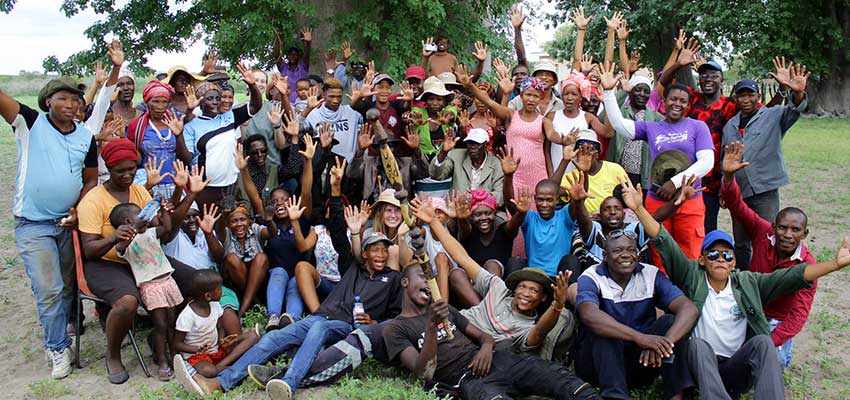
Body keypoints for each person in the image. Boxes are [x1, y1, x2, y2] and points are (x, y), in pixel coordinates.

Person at [620, 174, 850, 400]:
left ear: (734, 262)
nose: (720, 259)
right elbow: (664, 240)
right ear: (702, 260)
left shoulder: (749, 282)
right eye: (713, 254)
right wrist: (639, 209)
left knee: (762, 342)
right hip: (700, 365)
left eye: (727, 255)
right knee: (698, 345)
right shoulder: (691, 274)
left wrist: (835, 264)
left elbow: (795, 275)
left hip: (734, 368)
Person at [174, 230, 402, 400]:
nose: (381, 254)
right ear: (365, 254)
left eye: (384, 249)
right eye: (375, 249)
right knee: (273, 337)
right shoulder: (353, 268)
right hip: (321, 316)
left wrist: (375, 322)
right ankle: (220, 383)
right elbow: (342, 241)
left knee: (319, 329)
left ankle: (288, 383)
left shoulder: (392, 279)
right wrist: (352, 226)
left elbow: (396, 315)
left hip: (346, 326)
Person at [77, 138, 203, 384]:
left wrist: (174, 203)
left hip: (145, 257)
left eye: (132, 169)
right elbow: (89, 250)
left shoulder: (139, 190)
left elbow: (163, 231)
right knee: (127, 301)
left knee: (198, 281)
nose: (127, 175)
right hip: (107, 262)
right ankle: (112, 354)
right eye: (119, 170)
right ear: (108, 169)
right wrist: (114, 237)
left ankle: (163, 337)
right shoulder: (93, 200)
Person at [1, 73, 101, 379]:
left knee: (67, 287)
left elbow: (91, 179)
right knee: (49, 289)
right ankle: (58, 348)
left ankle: (62, 335)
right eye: (63, 99)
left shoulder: (85, 137)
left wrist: (78, 208)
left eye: (76, 100)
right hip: (33, 224)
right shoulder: (30, 123)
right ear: (48, 102)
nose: (71, 105)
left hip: (68, 223)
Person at [382, 263, 602, 400]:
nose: (429, 283)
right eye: (422, 276)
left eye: (430, 279)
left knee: (552, 374)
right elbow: (424, 373)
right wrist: (431, 327)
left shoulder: (446, 310)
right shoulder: (395, 328)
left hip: (495, 361)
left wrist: (487, 347)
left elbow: (482, 336)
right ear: (405, 282)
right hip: (465, 380)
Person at [412, 196, 576, 358]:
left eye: (533, 290)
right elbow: (462, 257)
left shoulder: (525, 327)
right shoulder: (499, 288)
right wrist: (433, 221)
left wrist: (557, 305)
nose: (525, 293)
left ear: (542, 298)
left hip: (469, 349)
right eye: (522, 287)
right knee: (397, 331)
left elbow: (540, 332)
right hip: (452, 326)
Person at [574, 192, 699, 398]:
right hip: (599, 365)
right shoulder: (592, 276)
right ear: (605, 256)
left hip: (643, 360)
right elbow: (589, 315)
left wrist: (662, 342)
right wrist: (642, 338)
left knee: (670, 321)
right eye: (618, 251)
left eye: (631, 250)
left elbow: (689, 309)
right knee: (603, 328)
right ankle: (616, 396)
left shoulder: (650, 274)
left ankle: (677, 395)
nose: (626, 255)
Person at [601, 61, 713, 260]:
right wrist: (609, 93)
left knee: (689, 254)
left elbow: (706, 162)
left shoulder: (698, 127)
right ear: (664, 101)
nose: (677, 104)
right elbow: (619, 125)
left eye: (682, 101)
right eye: (672, 99)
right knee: (659, 253)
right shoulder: (652, 127)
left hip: (689, 200)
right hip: (657, 201)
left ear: (688, 105)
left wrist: (674, 182)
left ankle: (687, 291)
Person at [721, 142, 816, 367]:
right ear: (773, 227)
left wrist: (767, 341)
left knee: (770, 361)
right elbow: (737, 206)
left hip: (776, 322)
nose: (787, 234)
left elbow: (798, 316)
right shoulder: (763, 231)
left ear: (805, 234)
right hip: (747, 307)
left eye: (795, 230)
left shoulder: (808, 264)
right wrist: (728, 178)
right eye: (782, 227)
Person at [722, 59, 809, 270]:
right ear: (735, 98)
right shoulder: (730, 126)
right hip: (739, 192)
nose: (746, 99)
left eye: (750, 94)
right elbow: (723, 162)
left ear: (759, 97)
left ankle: (769, 278)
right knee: (741, 242)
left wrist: (796, 92)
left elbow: (795, 109)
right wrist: (723, 192)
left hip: (765, 190)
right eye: (741, 95)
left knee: (769, 238)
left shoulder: (773, 115)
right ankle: (743, 278)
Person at [658, 33, 738, 233]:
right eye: (703, 75)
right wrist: (679, 63)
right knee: (672, 225)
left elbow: (759, 112)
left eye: (713, 75)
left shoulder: (730, 105)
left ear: (722, 79)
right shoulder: (691, 98)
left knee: (704, 228)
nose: (707, 79)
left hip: (709, 182)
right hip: (677, 174)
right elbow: (664, 84)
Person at [236, 135, 315, 329]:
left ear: (292, 202)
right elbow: (254, 195)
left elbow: (306, 190)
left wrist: (308, 160)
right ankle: (273, 317)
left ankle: (291, 319)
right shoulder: (268, 222)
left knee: (297, 280)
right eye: (275, 201)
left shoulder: (302, 218)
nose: (279, 203)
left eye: (284, 199)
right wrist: (243, 170)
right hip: (274, 279)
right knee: (279, 272)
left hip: (298, 276)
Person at [110, 202, 184, 381]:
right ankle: (162, 361)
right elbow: (119, 248)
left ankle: (175, 355)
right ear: (128, 221)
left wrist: (165, 211)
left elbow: (166, 227)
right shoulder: (125, 243)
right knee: (160, 325)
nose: (147, 217)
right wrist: (132, 229)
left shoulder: (151, 232)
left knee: (172, 322)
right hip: (151, 287)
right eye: (141, 214)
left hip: (168, 282)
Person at [183, 62, 262, 209]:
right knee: (208, 223)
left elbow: (255, 106)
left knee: (227, 223)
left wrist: (252, 85)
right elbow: (186, 158)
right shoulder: (191, 126)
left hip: (230, 186)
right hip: (205, 188)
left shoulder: (230, 117)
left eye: (217, 98)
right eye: (210, 98)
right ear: (200, 102)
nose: (215, 102)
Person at [163, 202, 242, 336]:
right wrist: (191, 193)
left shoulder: (204, 231)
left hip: (216, 288)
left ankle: (236, 348)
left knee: (226, 311)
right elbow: (174, 223)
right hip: (191, 293)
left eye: (195, 215)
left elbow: (219, 257)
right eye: (186, 217)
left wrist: (208, 233)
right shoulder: (172, 237)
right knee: (204, 318)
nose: (192, 220)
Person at [173, 270, 259, 379]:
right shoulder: (187, 316)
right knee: (209, 371)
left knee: (252, 336)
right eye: (219, 289)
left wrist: (222, 340)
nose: (222, 291)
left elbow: (219, 326)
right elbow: (177, 344)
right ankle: (231, 366)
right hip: (197, 356)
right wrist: (196, 349)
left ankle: (223, 366)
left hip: (217, 350)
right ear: (208, 295)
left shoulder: (215, 305)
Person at [126, 80, 194, 198]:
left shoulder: (177, 122)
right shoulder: (136, 127)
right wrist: (124, 139)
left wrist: (178, 135)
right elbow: (134, 160)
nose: (160, 106)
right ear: (147, 103)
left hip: (176, 182)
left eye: (164, 102)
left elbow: (186, 159)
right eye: (156, 101)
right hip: (148, 183)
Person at [606, 73, 663, 188]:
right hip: (618, 170)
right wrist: (623, 92)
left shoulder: (656, 117)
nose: (642, 94)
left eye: (646, 91)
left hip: (642, 175)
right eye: (638, 90)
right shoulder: (621, 110)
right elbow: (604, 117)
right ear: (631, 91)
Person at [555, 130, 627, 214]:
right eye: (581, 149)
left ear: (597, 153)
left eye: (590, 149)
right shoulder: (571, 176)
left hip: (611, 217)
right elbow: (551, 192)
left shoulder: (615, 169)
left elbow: (628, 197)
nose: (585, 153)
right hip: (585, 221)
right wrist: (565, 160)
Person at [429, 128, 505, 207]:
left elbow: (499, 195)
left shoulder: (496, 163)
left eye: (477, 143)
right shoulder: (456, 155)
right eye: (469, 143)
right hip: (457, 209)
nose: (472, 147)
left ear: (486, 145)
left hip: (485, 211)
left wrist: (477, 201)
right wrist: (443, 152)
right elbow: (436, 175)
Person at [351, 189, 414, 272]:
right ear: (380, 212)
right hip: (372, 279)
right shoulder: (370, 231)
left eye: (397, 210)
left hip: (397, 280)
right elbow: (360, 259)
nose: (393, 215)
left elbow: (406, 263)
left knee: (393, 249)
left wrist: (401, 237)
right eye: (388, 210)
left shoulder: (409, 233)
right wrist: (357, 230)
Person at [302, 77, 363, 163]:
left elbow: (369, 114)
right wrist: (308, 109)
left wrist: (359, 100)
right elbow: (298, 132)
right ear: (324, 95)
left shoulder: (352, 113)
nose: (335, 100)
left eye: (339, 97)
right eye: (332, 96)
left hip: (348, 166)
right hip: (322, 166)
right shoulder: (313, 115)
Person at [273, 27, 312, 103]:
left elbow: (307, 54)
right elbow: (277, 55)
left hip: (302, 102)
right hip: (286, 101)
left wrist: (308, 43)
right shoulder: (283, 68)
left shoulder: (303, 67)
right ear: (287, 56)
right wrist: (277, 38)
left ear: (299, 56)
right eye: (290, 55)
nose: (292, 57)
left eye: (295, 55)